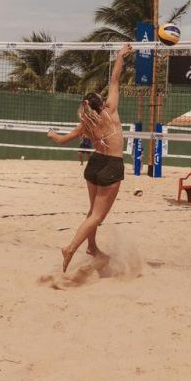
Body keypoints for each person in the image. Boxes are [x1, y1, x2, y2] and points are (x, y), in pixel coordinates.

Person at [47, 43, 133, 272]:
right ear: (100, 103)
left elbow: (62, 140)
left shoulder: (86, 123)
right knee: (97, 216)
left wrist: (52, 134)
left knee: (92, 212)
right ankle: (70, 248)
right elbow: (115, 79)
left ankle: (92, 247)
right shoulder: (110, 111)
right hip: (111, 165)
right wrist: (120, 56)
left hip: (94, 164)